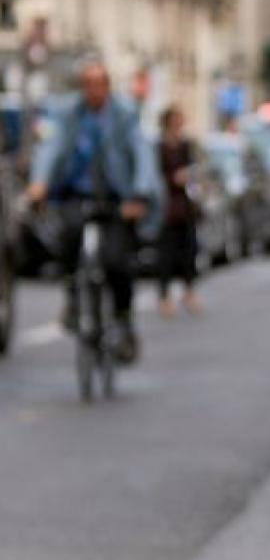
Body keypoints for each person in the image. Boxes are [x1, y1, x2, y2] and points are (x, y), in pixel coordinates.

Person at [26, 58, 161, 363]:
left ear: (108, 86)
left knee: (118, 262)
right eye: (88, 84)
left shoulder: (125, 114)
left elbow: (141, 153)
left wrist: (140, 193)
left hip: (116, 198)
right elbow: (51, 148)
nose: (94, 90)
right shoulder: (67, 113)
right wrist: (39, 183)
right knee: (66, 238)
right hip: (76, 193)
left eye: (100, 84)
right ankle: (74, 298)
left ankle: (123, 321)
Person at [155, 104, 202, 316]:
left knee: (189, 251)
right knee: (166, 253)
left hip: (185, 206)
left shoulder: (186, 145)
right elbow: (154, 175)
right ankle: (164, 295)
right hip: (166, 206)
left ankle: (189, 291)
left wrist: (191, 178)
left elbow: (196, 170)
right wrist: (172, 179)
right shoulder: (159, 146)